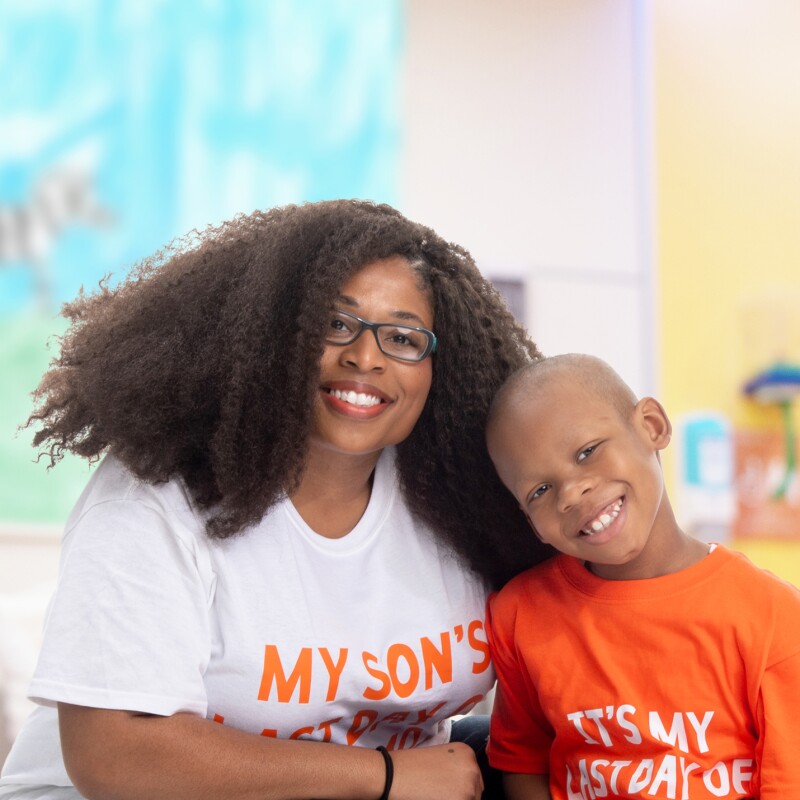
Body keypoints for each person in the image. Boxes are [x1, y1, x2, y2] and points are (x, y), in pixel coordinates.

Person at [0, 200, 551, 800]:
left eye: (402, 337)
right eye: (334, 323)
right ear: (273, 335)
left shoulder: (461, 496)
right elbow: (112, 755)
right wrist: (385, 775)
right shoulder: (157, 495)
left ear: (440, 367)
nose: (364, 357)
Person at [483, 353, 800, 800]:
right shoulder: (521, 614)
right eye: (540, 490)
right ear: (529, 519)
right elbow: (522, 764)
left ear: (652, 426)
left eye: (587, 452)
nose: (571, 493)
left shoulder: (774, 617)